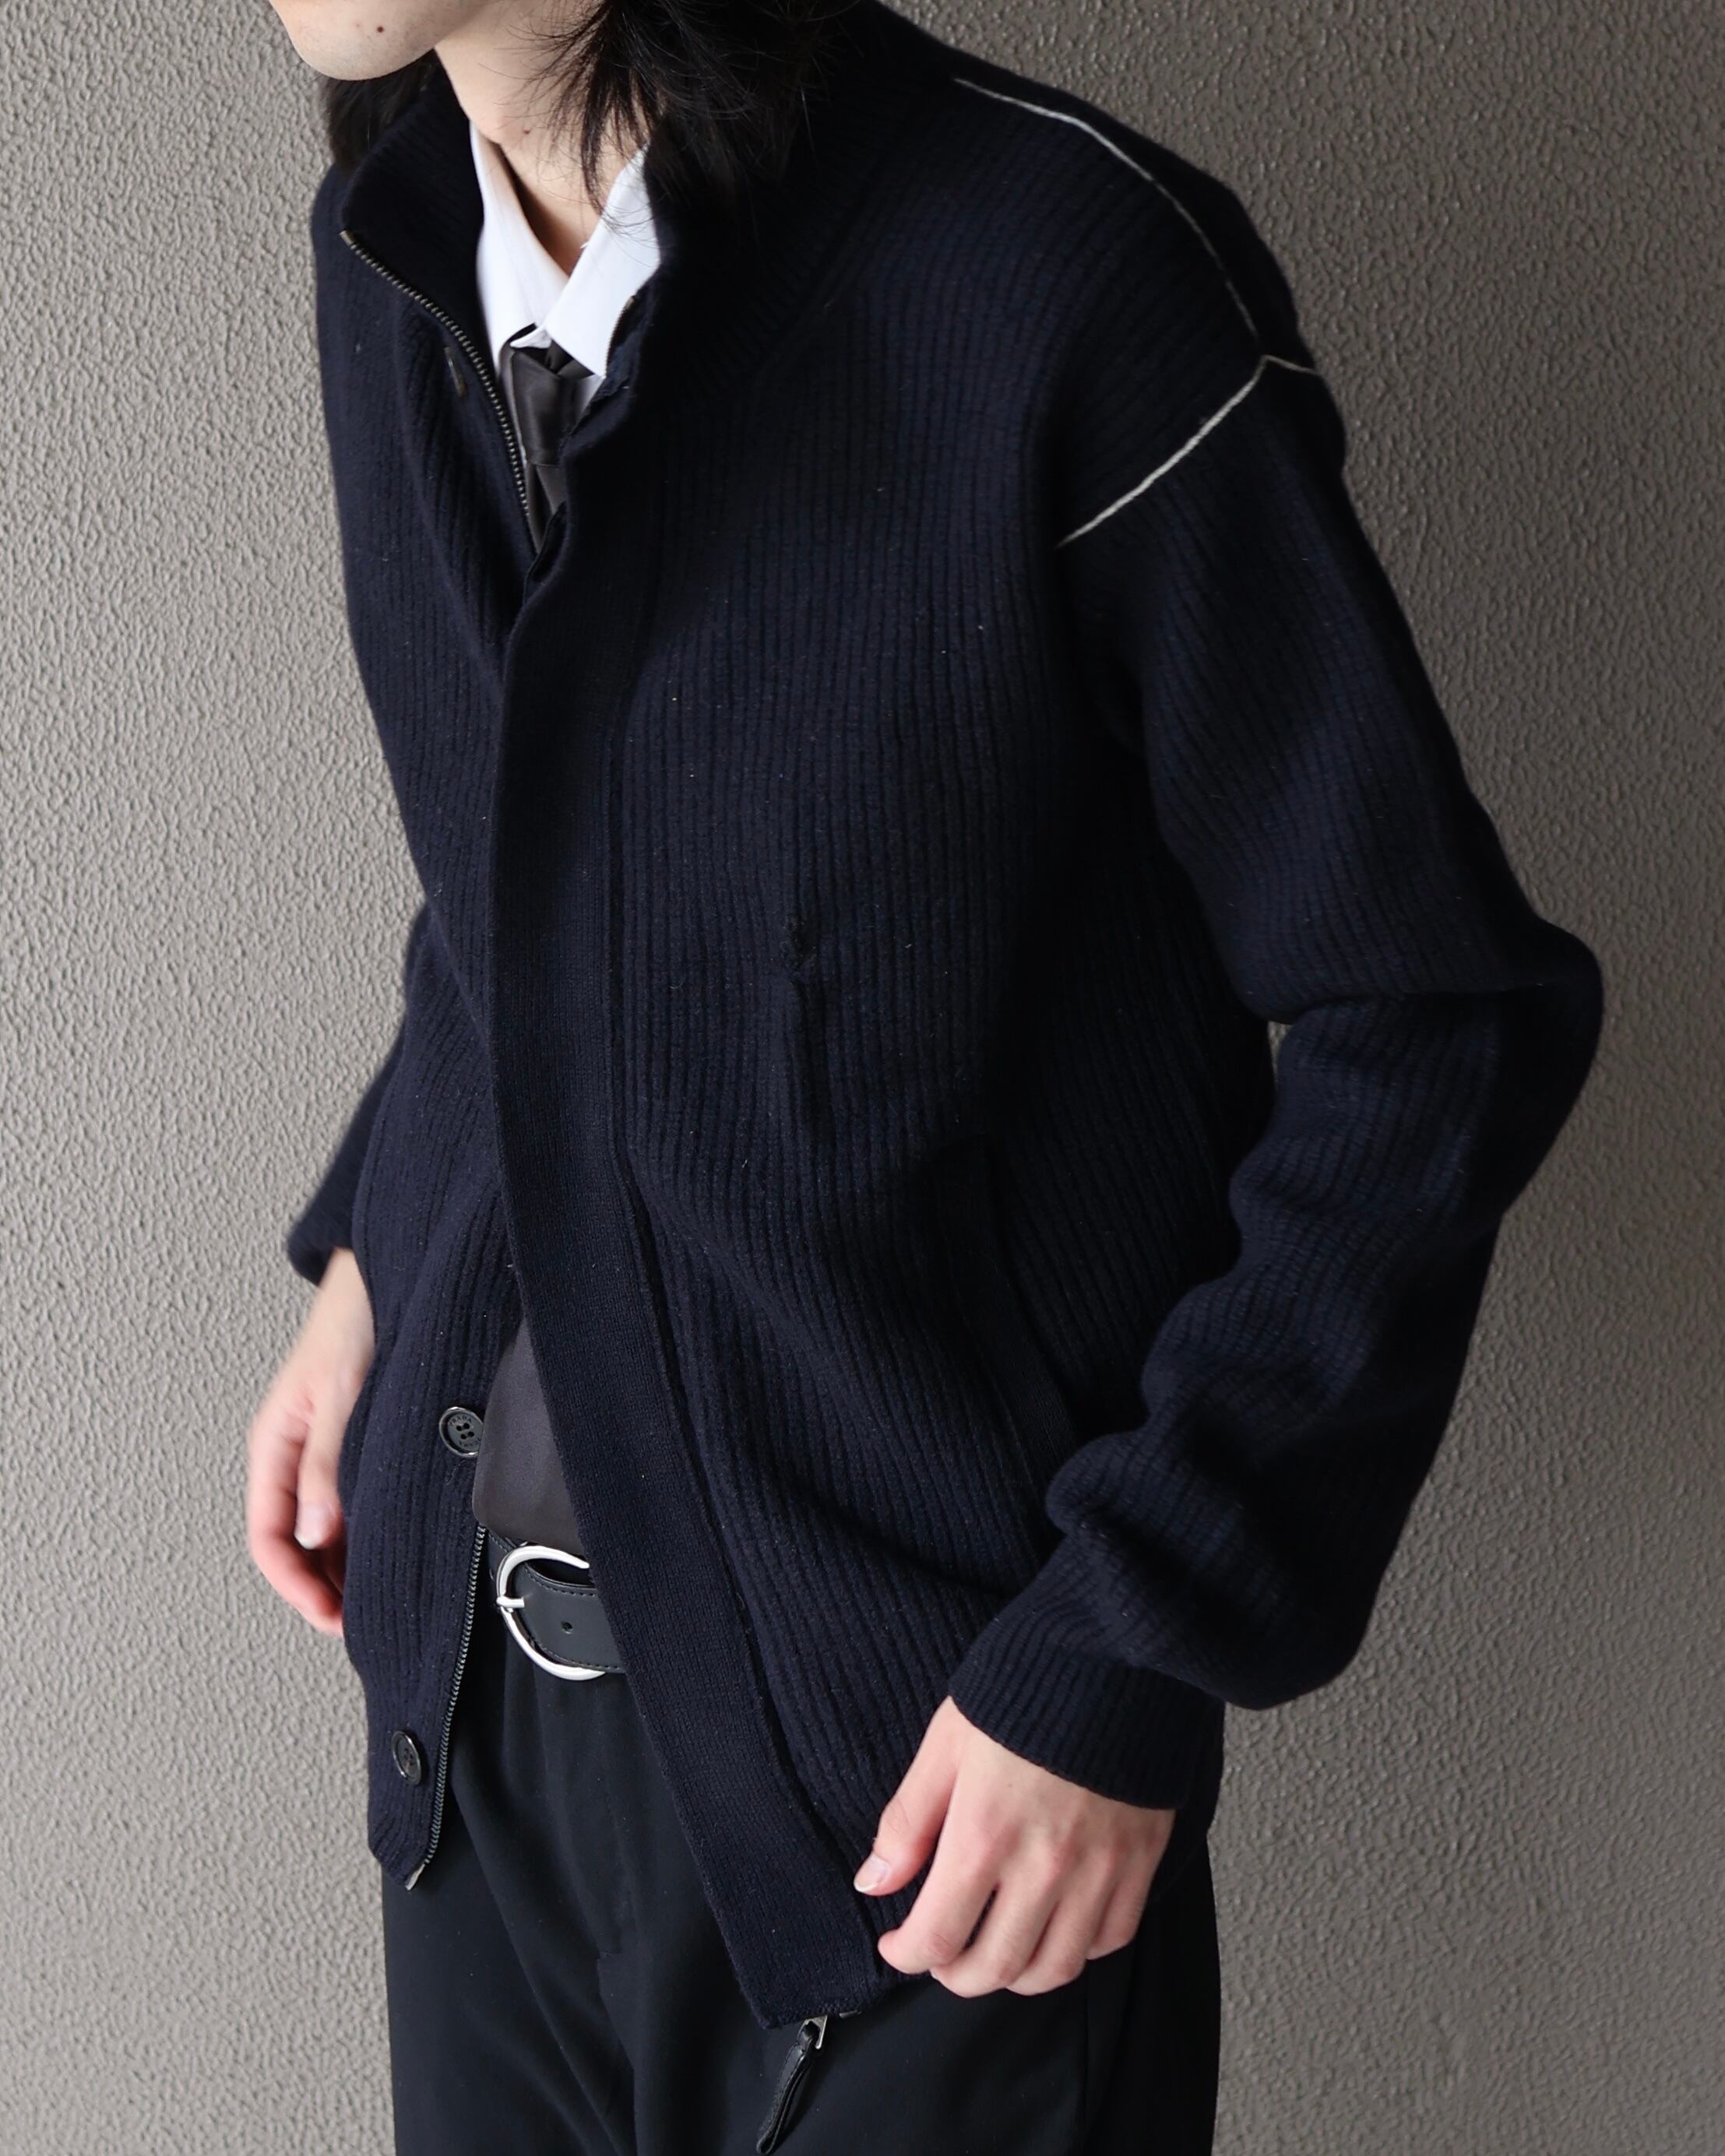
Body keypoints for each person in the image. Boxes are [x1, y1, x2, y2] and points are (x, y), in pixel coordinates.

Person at [246, 1, 1604, 2148]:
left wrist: (1129, 1638)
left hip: (933, 1813)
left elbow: (1432, 1017)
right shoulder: (388, 259)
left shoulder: (1058, 272)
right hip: (479, 1749)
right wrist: (385, 1249)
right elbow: (519, 900)